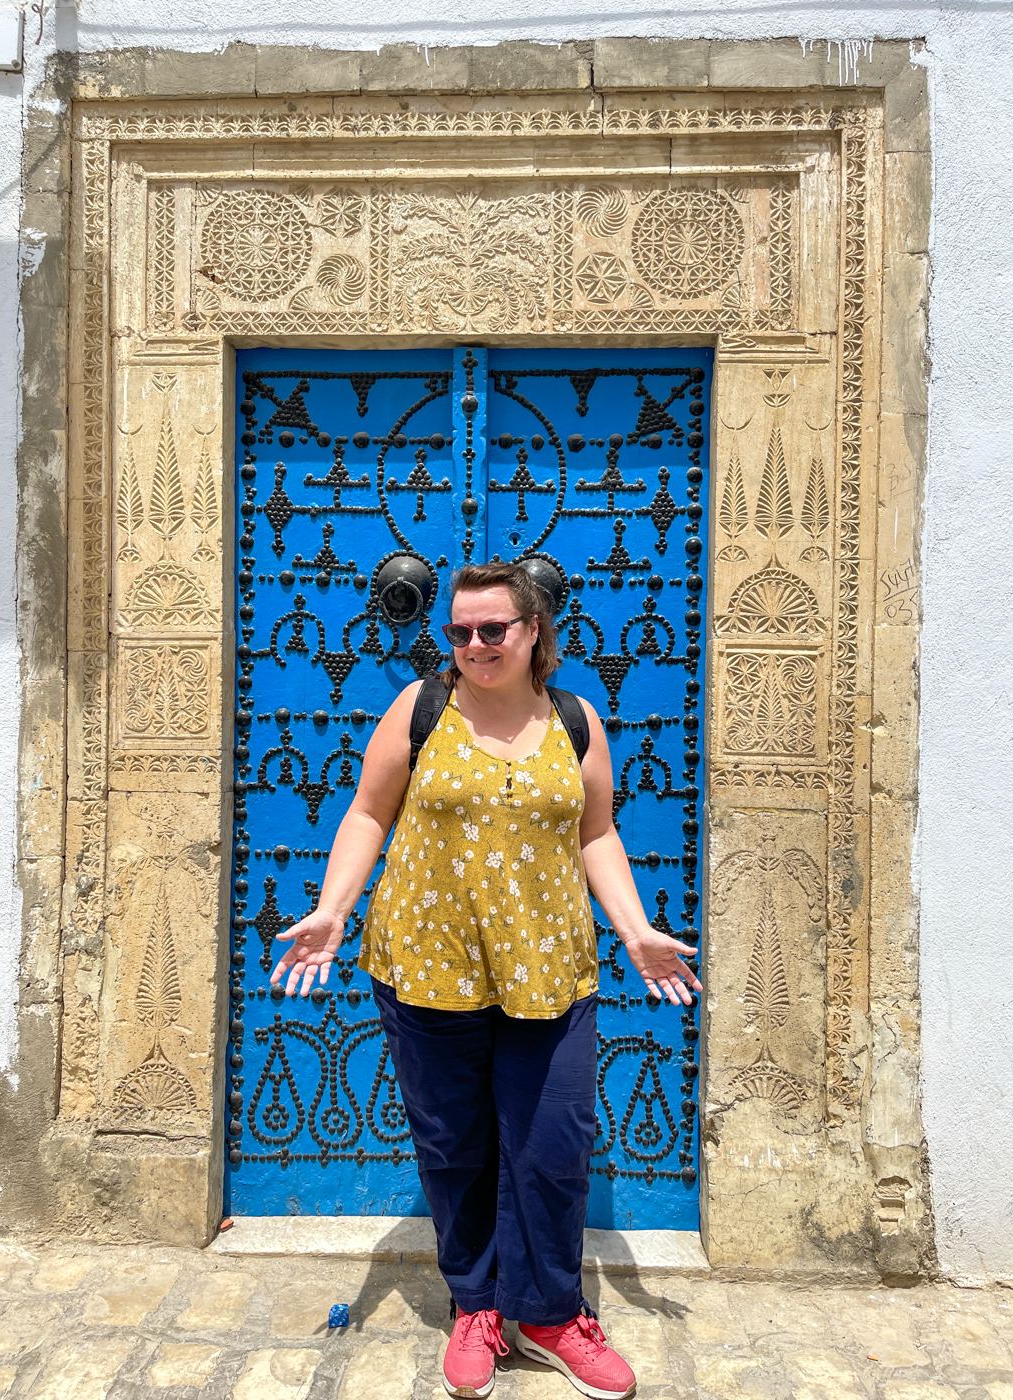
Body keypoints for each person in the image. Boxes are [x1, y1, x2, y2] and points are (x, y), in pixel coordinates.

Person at [272, 561, 701, 1400]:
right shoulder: (422, 709)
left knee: (552, 1147)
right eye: (460, 631)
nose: (474, 644)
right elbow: (368, 810)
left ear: (533, 629)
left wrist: (636, 929)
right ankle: (475, 1303)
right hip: (428, 966)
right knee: (454, 1145)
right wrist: (333, 910)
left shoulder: (575, 721)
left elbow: (596, 833)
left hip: (549, 968)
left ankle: (548, 1312)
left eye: (492, 629)